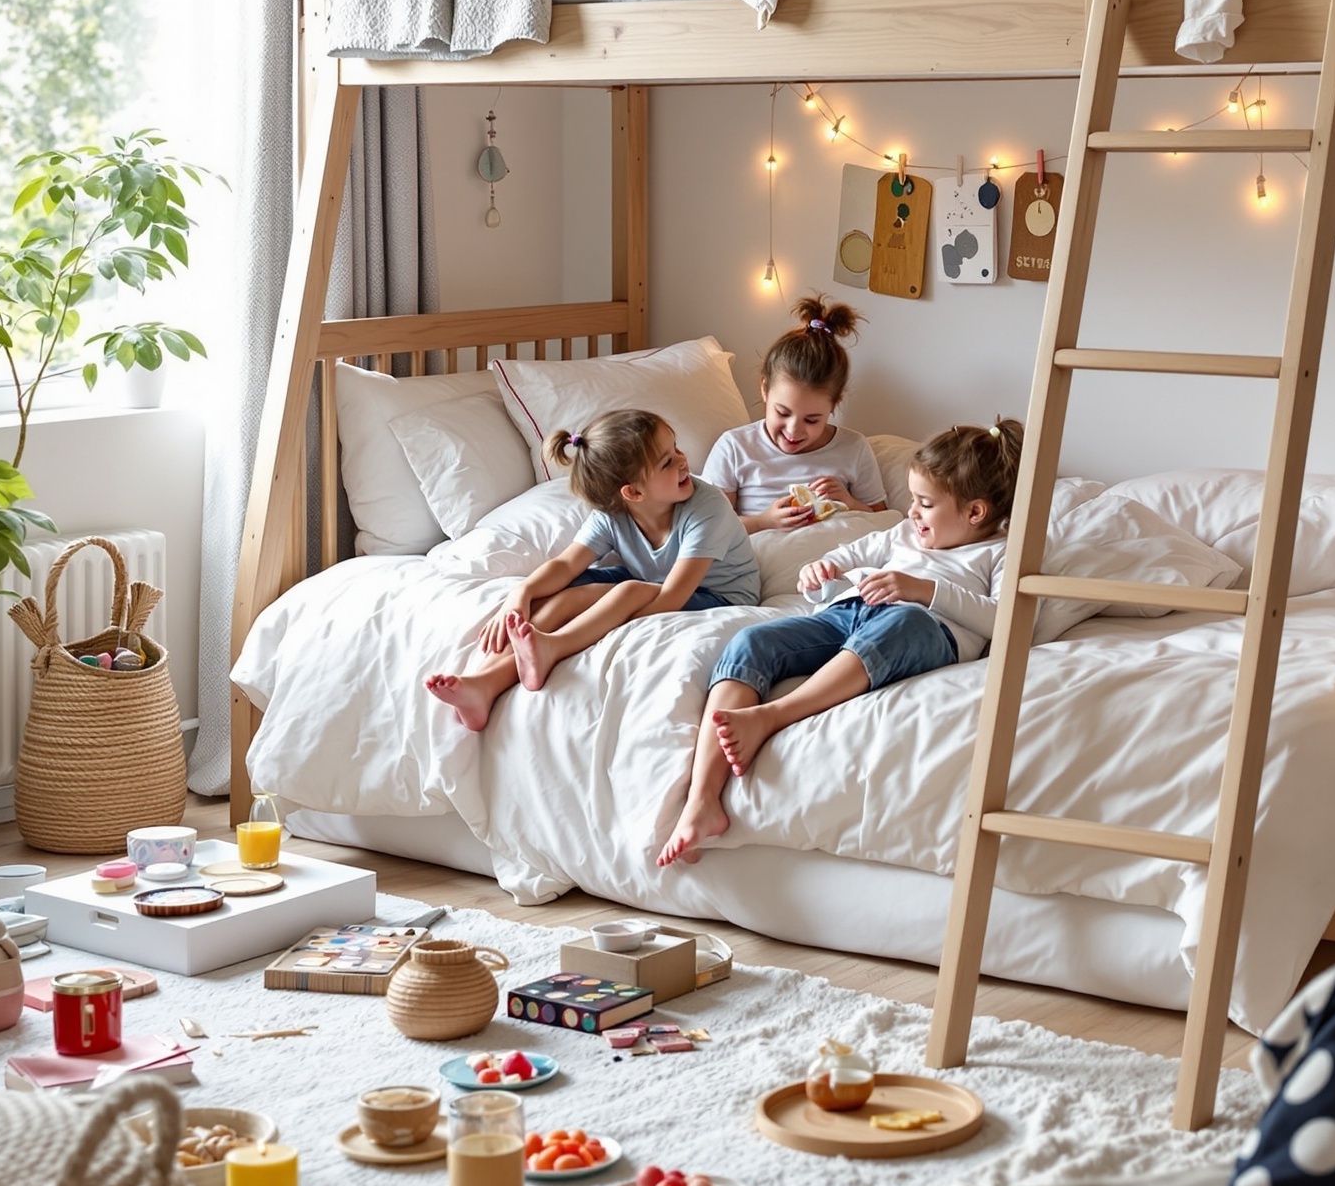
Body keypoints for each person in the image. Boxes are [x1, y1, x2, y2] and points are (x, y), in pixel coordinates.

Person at [657, 418, 1023, 865]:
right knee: (751, 643)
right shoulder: (905, 533)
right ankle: (702, 800)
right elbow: (854, 552)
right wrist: (823, 569)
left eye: (925, 504)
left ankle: (769, 717)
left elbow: (1009, 617)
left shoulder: (999, 552)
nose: (912, 512)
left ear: (976, 513)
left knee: (903, 621)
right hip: (847, 613)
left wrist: (923, 590)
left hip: (919, 628)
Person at [425, 409, 758, 732]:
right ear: (632, 493)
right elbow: (567, 564)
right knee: (565, 595)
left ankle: (552, 647)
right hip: (652, 580)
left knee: (626, 591)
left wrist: (609, 613)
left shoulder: (707, 506)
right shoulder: (613, 512)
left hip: (719, 596)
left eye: (676, 450)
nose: (684, 461)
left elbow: (672, 596)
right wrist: (520, 595)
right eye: (667, 461)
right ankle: (484, 682)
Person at [701, 295, 887, 535]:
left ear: (835, 404)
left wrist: (851, 505)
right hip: (765, 558)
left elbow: (884, 522)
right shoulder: (735, 447)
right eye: (782, 412)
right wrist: (763, 521)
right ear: (764, 388)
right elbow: (709, 528)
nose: (793, 430)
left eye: (812, 420)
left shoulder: (854, 448)